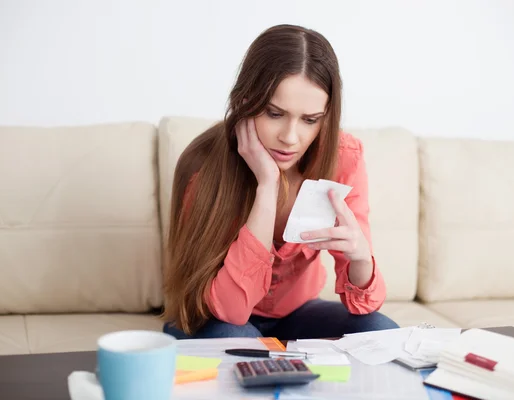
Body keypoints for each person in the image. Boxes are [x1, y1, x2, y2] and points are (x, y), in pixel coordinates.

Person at [161, 24, 399, 340]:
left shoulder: (343, 158)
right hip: (215, 319)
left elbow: (363, 304)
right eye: (274, 113)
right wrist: (267, 184)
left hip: (297, 314)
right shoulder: (203, 169)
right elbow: (231, 312)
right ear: (246, 102)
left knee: (381, 331)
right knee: (232, 337)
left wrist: (359, 255)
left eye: (310, 120)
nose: (290, 138)